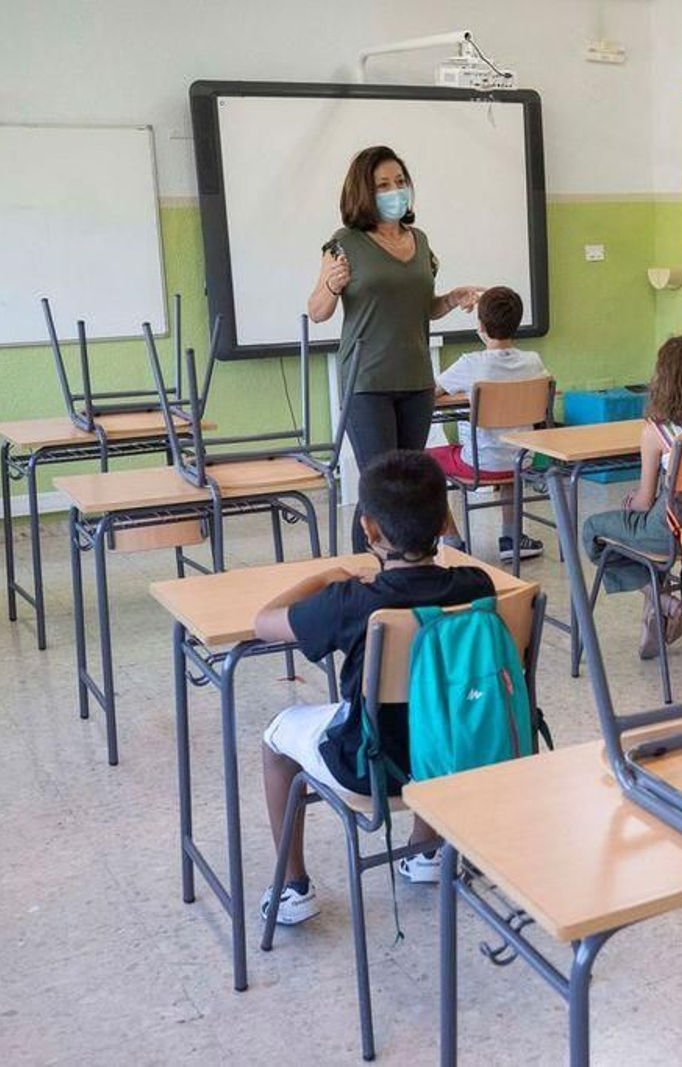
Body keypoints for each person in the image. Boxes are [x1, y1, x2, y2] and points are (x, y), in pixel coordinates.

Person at [254, 450, 497, 925]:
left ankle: (293, 886)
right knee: (434, 704)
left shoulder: (351, 601)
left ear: (368, 529)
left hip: (371, 769)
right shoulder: (479, 586)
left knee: (276, 739)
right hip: (462, 758)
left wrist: (324, 577)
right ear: (446, 521)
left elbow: (262, 623)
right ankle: (426, 851)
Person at [308, 144, 485, 553]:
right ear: (363, 192)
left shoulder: (419, 241)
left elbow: (423, 308)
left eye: (400, 182)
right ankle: (363, 572)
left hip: (416, 379)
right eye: (383, 184)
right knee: (380, 483)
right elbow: (317, 311)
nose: (394, 190)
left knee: (407, 483)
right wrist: (332, 286)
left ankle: (405, 570)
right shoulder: (344, 242)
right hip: (367, 379)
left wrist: (452, 298)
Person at [580, 336, 682, 660]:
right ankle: (655, 609)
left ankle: (661, 598)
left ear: (664, 382)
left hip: (673, 535)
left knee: (595, 529)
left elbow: (643, 502)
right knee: (650, 536)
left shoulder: (658, 432)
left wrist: (633, 500)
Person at [432, 285, 548, 564]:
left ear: (481, 326)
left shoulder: (471, 363)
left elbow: (432, 391)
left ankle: (452, 540)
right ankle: (511, 537)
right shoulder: (534, 362)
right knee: (509, 445)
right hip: (522, 460)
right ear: (518, 324)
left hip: (479, 464)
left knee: (424, 462)